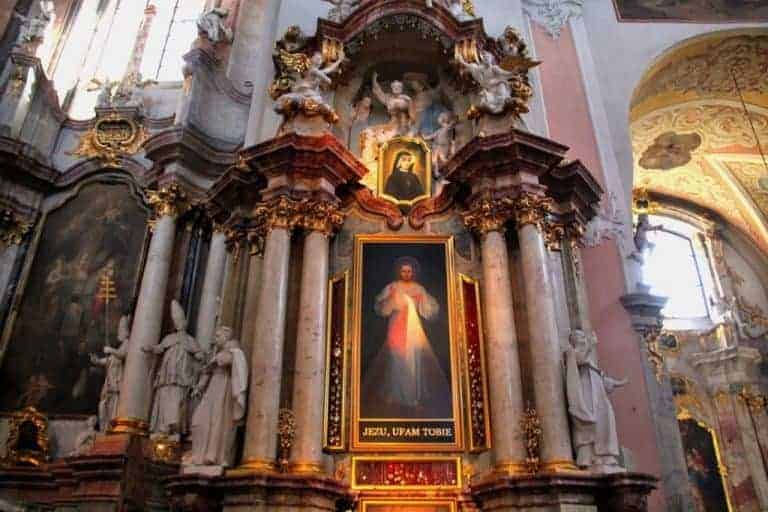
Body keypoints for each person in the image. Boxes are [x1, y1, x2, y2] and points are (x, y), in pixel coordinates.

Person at [360, 257, 450, 418]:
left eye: (409, 271)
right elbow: (380, 307)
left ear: (413, 272)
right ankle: (396, 393)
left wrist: (421, 300)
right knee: (396, 360)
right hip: (396, 328)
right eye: (403, 271)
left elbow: (431, 310)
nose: (406, 274)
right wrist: (391, 300)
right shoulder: (393, 287)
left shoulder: (418, 289)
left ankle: (412, 397)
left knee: (413, 360)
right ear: (399, 271)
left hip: (414, 330)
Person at [185, 326, 248, 468]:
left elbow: (225, 361)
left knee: (219, 420)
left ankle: (214, 455)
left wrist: (214, 360)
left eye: (218, 336)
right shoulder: (219, 353)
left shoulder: (234, 351)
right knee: (199, 420)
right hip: (213, 388)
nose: (215, 339)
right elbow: (207, 372)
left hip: (224, 388)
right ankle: (199, 454)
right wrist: (199, 387)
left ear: (226, 337)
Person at [144, 301, 203, 436]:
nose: (179, 323)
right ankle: (163, 427)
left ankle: (174, 429)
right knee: (164, 398)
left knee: (177, 401)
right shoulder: (169, 338)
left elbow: (198, 353)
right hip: (167, 375)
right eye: (176, 321)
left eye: (181, 320)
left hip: (181, 376)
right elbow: (160, 348)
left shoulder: (190, 340)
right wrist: (150, 348)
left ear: (185, 321)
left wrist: (201, 355)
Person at [89, 315, 130, 431]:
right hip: (109, 381)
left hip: (116, 382)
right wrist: (97, 361)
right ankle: (104, 427)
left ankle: (110, 426)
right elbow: (110, 359)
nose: (119, 333)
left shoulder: (127, 343)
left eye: (120, 330)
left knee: (112, 405)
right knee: (103, 405)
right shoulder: (121, 346)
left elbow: (122, 355)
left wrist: (110, 350)